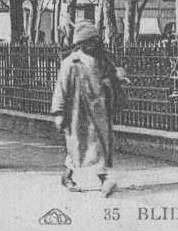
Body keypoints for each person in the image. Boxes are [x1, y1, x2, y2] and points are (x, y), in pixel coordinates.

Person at [50, 21, 127, 197]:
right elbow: (61, 89)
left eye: (94, 41)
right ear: (81, 44)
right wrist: (59, 112)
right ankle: (70, 176)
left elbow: (113, 77)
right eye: (88, 42)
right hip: (77, 112)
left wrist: (117, 78)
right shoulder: (71, 63)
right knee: (78, 148)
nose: (92, 45)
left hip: (99, 111)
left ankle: (103, 180)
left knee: (100, 147)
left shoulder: (103, 60)